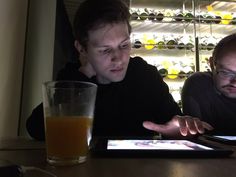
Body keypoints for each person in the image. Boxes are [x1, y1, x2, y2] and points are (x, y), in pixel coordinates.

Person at [26, 0, 212, 141]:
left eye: (124, 45)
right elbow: (35, 129)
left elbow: (170, 121)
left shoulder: (144, 75)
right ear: (82, 49)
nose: (118, 58)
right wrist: (81, 79)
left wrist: (178, 130)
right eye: (105, 50)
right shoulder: (73, 78)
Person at [181, 33, 236, 135]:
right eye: (226, 73)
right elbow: (196, 136)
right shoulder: (199, 84)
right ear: (211, 64)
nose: (234, 83)